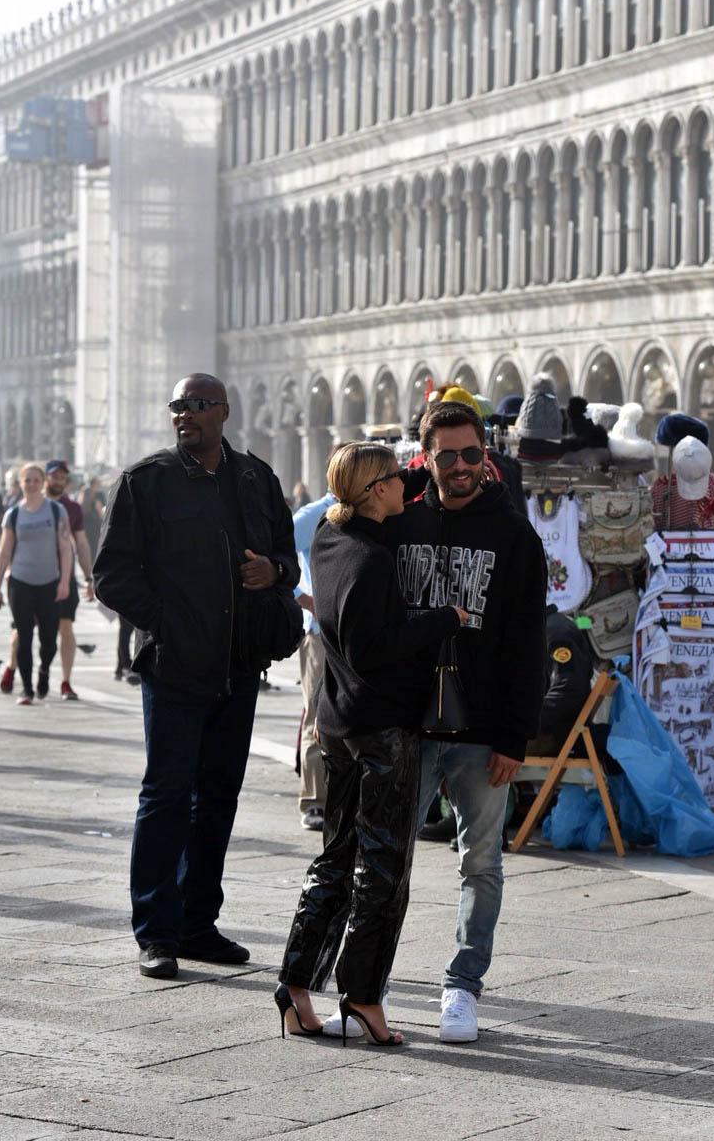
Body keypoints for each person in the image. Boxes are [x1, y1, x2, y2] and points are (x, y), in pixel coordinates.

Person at [93, 373, 301, 980]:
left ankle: (197, 922)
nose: (185, 414)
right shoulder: (146, 481)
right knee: (165, 797)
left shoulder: (255, 478)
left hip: (239, 666)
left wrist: (275, 572)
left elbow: (288, 558)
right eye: (178, 405)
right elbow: (111, 575)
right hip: (176, 666)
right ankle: (155, 931)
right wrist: (168, 623)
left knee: (218, 798)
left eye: (197, 405)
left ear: (224, 413)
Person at [276, 443, 467, 1047]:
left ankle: (296, 986)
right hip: (382, 726)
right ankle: (362, 998)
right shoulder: (370, 556)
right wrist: (444, 619)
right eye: (394, 480)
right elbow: (373, 648)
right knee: (384, 867)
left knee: (335, 855)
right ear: (374, 491)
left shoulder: (328, 541)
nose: (405, 487)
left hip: (338, 722)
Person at [388, 401, 547, 1042]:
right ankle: (370, 978)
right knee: (386, 854)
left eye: (471, 454)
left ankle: (462, 985)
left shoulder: (514, 536)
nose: (459, 467)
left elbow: (526, 647)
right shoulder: (398, 521)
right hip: (407, 724)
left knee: (480, 862)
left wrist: (514, 736)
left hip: (481, 729)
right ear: (426, 456)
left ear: (486, 455)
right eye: (447, 455)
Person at [0, 462, 73, 705]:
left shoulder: (57, 511)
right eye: (27, 480)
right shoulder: (13, 514)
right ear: (20, 483)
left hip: (50, 583)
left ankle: (44, 670)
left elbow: (65, 549)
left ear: (43, 483)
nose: (32, 484)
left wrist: (65, 582)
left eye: (36, 480)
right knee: (24, 637)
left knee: (49, 639)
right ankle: (27, 689)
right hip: (20, 583)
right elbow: (4, 553)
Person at [292, 481, 337, 831]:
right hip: (320, 636)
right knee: (317, 716)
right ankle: (314, 800)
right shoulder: (313, 515)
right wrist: (304, 599)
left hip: (355, 633)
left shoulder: (371, 509)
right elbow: (275, 552)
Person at [44, 461, 96, 700]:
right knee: (23, 632)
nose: (58, 480)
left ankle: (65, 682)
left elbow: (82, 544)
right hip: (29, 580)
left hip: (63, 578)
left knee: (66, 627)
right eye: (54, 476)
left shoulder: (72, 508)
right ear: (46, 477)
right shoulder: (28, 504)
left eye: (62, 477)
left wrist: (88, 577)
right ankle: (16, 670)